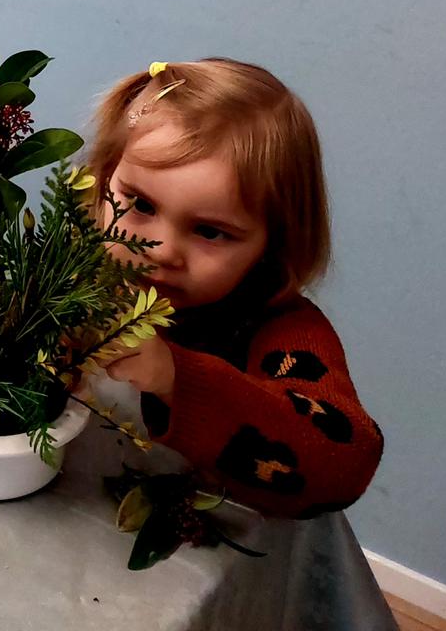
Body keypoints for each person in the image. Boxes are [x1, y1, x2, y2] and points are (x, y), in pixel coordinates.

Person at [90, 59, 382, 516]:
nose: (162, 250)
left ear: (273, 243)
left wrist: (175, 377)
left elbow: (345, 463)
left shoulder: (282, 329)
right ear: (105, 179)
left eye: (210, 231)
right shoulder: (82, 278)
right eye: (141, 204)